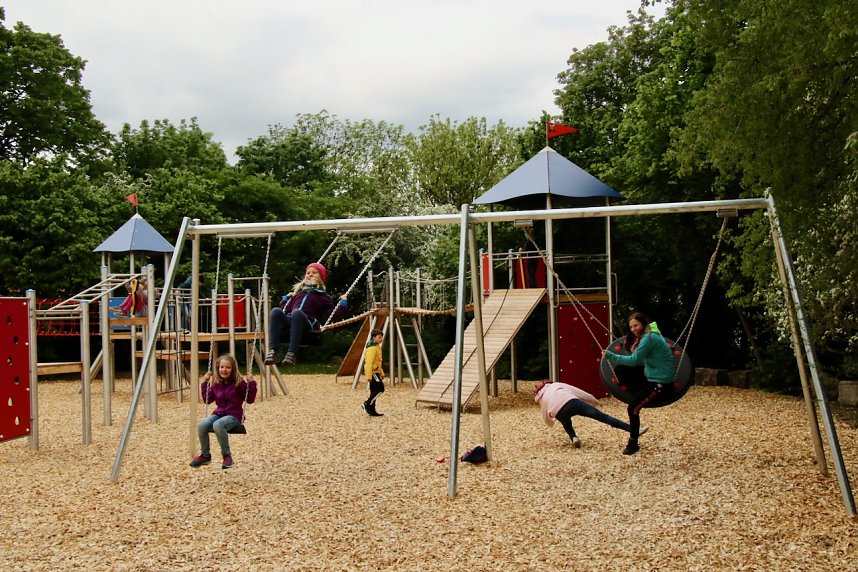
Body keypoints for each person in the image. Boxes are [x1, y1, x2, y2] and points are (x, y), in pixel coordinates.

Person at [603, 311, 674, 455]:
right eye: (631, 327)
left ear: (643, 323)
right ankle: (639, 392)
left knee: (632, 408)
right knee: (622, 370)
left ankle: (633, 443)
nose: (634, 329)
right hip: (652, 374)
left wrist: (610, 355)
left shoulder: (649, 338)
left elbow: (634, 360)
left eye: (636, 325)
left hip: (661, 382)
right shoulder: (651, 333)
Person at [264, 262, 347, 367]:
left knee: (297, 313)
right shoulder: (298, 294)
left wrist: (343, 304)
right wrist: (285, 299)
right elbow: (284, 310)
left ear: (321, 277)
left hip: (308, 323)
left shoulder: (323, 297)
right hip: (291, 320)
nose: (310, 275)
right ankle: (273, 351)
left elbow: (332, 315)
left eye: (314, 273)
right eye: (308, 273)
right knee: (276, 311)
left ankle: (291, 353)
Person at [190, 354, 257, 469]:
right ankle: (205, 456)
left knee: (218, 425)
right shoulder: (216, 383)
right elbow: (208, 400)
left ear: (233, 369)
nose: (224, 370)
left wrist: (251, 383)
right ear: (218, 368)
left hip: (234, 416)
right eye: (221, 367)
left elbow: (250, 400)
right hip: (219, 414)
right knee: (202, 424)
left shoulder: (239, 383)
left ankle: (227, 456)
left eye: (228, 367)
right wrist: (205, 382)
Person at [534, 380, 645, 448]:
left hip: (558, 412)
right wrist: (594, 400)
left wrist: (551, 422)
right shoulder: (556, 385)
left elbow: (545, 415)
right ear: (548, 383)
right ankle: (633, 429)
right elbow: (579, 392)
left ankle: (574, 438)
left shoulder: (542, 398)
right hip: (572, 402)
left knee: (566, 422)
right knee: (603, 417)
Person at [361, 329, 385, 417]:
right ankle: (367, 403)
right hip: (373, 372)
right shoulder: (372, 348)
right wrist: (368, 375)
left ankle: (372, 410)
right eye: (379, 337)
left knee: (373, 391)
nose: (381, 339)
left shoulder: (377, 347)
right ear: (374, 337)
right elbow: (369, 363)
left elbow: (378, 362)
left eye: (381, 337)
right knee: (380, 388)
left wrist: (381, 373)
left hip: (376, 372)